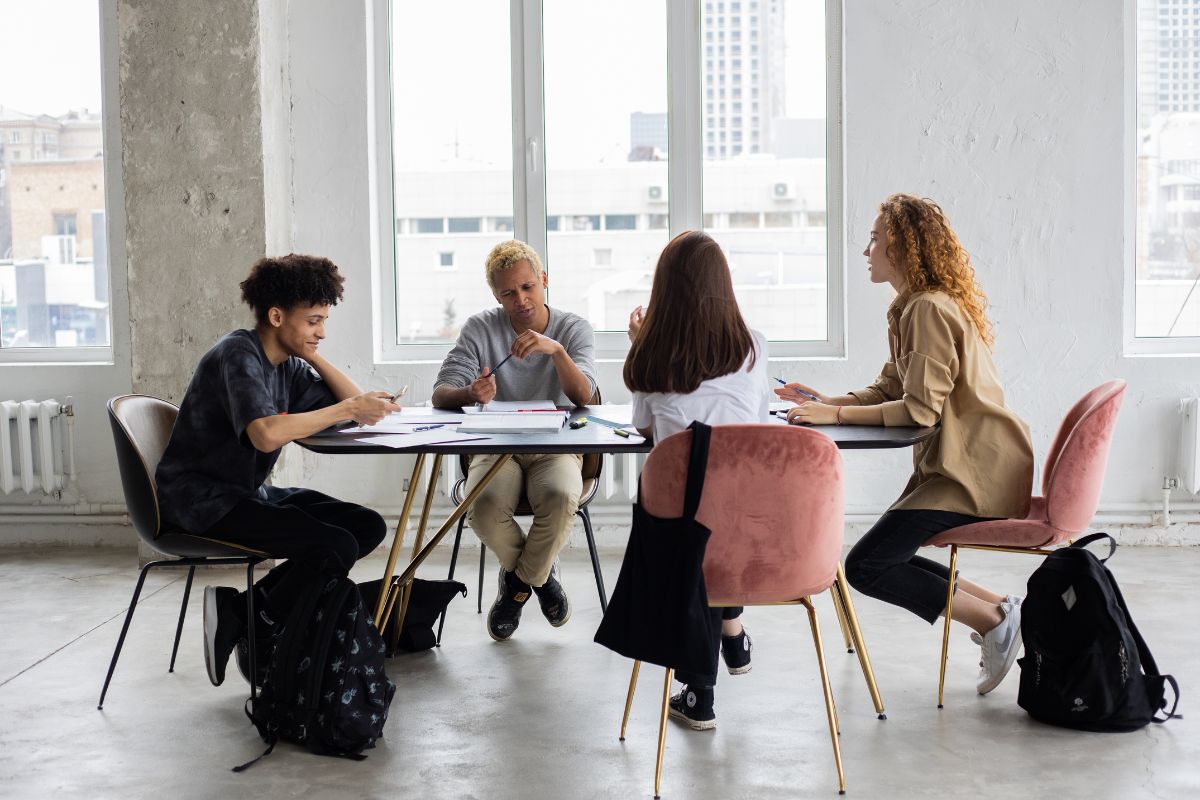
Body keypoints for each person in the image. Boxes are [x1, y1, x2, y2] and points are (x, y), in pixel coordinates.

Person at [777, 194, 1034, 695]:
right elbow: (891, 388)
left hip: (975, 474)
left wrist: (834, 415)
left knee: (867, 565)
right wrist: (828, 400)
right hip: (963, 468)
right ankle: (1002, 609)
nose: (867, 249)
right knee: (881, 555)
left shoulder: (928, 310)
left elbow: (919, 411)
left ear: (902, 246)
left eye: (875, 238)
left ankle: (993, 623)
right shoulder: (912, 307)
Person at [155, 254, 399, 687]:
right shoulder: (238, 355)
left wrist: (315, 357)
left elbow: (353, 410)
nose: (321, 331)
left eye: (324, 321)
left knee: (365, 526)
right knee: (335, 546)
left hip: (244, 493)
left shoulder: (285, 364)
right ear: (275, 315)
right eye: (313, 322)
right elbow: (265, 434)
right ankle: (257, 619)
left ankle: (244, 611)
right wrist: (346, 406)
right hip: (201, 501)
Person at [624, 230, 769, 730]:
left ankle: (700, 694)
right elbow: (758, 426)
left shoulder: (650, 358)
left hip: (675, 529)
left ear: (663, 290)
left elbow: (645, 429)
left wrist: (640, 344)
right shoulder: (753, 347)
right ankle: (732, 629)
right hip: (750, 519)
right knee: (720, 508)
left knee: (696, 520)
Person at [432, 239, 596, 641]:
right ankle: (541, 577)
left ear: (544, 281)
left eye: (527, 287)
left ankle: (517, 587)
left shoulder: (572, 328)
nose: (520, 299)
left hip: (555, 445)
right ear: (496, 295)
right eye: (508, 292)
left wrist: (556, 352)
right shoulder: (480, 327)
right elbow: (441, 394)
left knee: (560, 497)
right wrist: (471, 393)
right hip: (495, 444)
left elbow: (584, 396)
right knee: (483, 507)